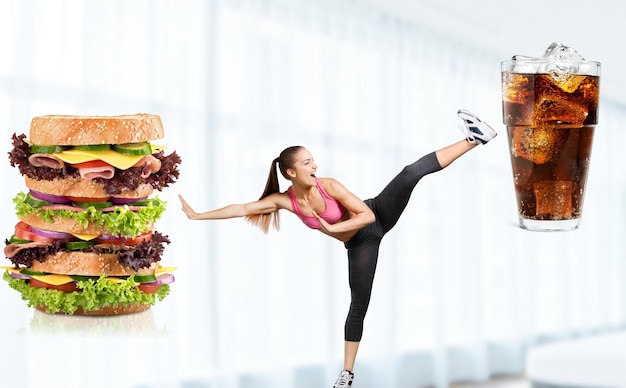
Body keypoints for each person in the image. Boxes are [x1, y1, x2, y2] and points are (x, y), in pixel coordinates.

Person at [179, 109, 497, 388]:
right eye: (307, 162)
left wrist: (332, 228)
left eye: (312, 159)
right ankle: (347, 375)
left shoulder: (328, 185)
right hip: (360, 245)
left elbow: (368, 216)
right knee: (358, 304)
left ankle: (474, 138)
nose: (314, 164)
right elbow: (241, 208)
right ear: (291, 172)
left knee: (409, 173)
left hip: (377, 215)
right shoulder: (285, 201)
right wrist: (198, 215)